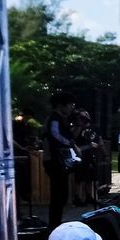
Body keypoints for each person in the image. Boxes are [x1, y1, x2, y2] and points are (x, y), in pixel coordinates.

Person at [44, 91, 77, 227]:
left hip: (59, 161)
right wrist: (71, 145)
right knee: (58, 195)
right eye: (70, 105)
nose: (72, 108)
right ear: (60, 105)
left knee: (61, 195)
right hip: (53, 161)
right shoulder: (54, 119)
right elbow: (55, 135)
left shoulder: (61, 119)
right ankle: (54, 225)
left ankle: (56, 223)